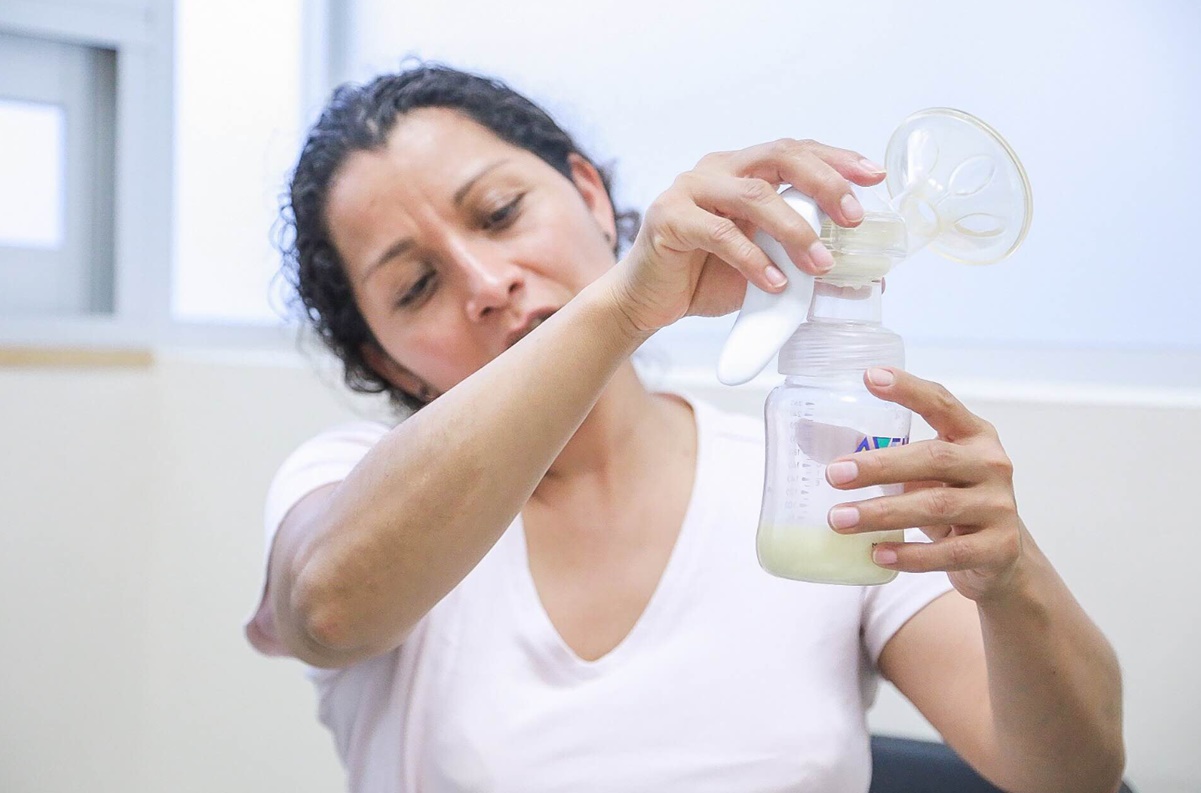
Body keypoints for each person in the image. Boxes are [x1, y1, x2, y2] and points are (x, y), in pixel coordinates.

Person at [245, 63, 1124, 793]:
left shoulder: (816, 480)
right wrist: (622, 302)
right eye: (414, 287)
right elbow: (327, 611)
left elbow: (1071, 776)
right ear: (387, 359)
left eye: (500, 213)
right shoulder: (347, 482)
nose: (486, 280)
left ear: (589, 192)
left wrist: (1008, 574)